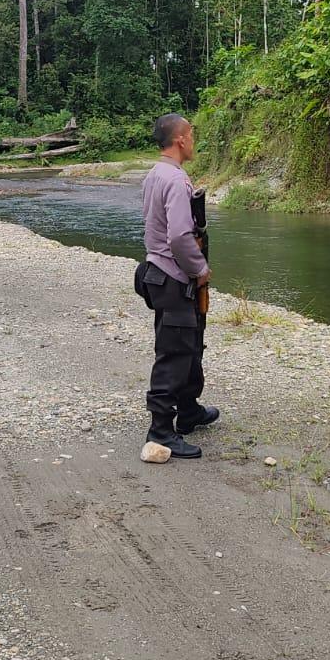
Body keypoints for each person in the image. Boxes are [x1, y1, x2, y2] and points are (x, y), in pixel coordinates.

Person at [135, 113, 219, 462]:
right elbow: (180, 236)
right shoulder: (175, 179)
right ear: (180, 140)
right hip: (173, 276)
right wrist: (200, 269)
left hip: (160, 275)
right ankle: (161, 430)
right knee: (175, 352)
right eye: (191, 135)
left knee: (190, 344)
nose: (194, 141)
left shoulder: (156, 174)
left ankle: (188, 409)